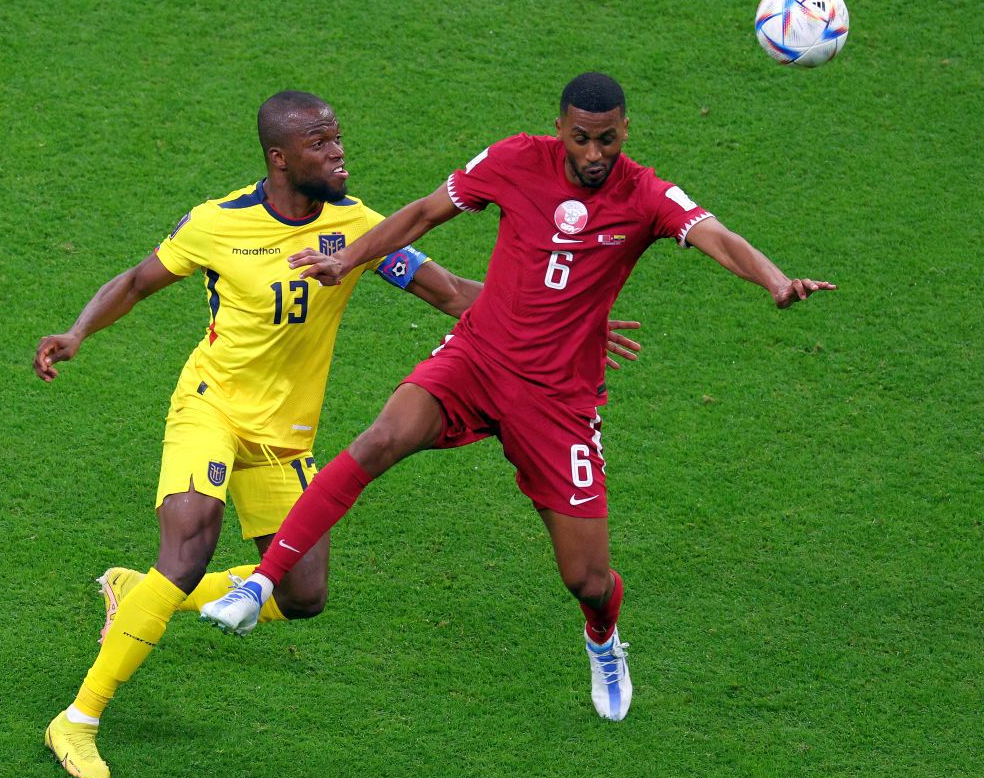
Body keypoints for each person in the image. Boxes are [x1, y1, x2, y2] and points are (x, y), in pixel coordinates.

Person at [36, 89, 644, 778]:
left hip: (285, 438)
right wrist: (78, 331)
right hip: (210, 409)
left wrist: (570, 321)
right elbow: (138, 281)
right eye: (322, 145)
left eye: (338, 139)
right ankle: (78, 719)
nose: (339, 153)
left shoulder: (353, 231)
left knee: (302, 596)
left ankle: (138, 594)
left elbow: (448, 291)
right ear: (281, 158)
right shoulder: (217, 223)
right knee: (188, 543)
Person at [200, 73, 837, 723]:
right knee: (380, 439)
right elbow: (423, 213)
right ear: (560, 129)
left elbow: (717, 236)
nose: (595, 154)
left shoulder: (646, 195)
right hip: (476, 359)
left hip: (559, 403)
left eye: (608, 140)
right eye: (583, 139)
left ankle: (603, 639)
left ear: (625, 133)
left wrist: (774, 279)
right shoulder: (512, 161)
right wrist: (348, 258)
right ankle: (260, 582)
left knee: (587, 579)